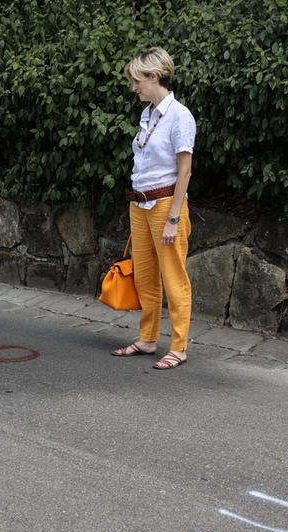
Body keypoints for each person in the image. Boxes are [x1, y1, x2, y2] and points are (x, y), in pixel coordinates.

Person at [110, 47, 194, 370]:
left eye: (137, 80)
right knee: (144, 277)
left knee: (174, 278)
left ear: (154, 76)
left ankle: (179, 346)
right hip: (139, 205)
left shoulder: (180, 116)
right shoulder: (148, 114)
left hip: (164, 206)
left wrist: (174, 218)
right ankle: (147, 339)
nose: (134, 87)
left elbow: (184, 171)